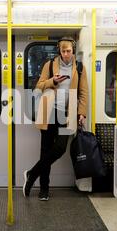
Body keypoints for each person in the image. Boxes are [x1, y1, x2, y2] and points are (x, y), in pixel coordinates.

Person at [23, 37, 88, 201]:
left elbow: (83, 93)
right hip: (49, 113)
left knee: (59, 149)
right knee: (45, 150)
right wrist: (53, 81)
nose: (66, 54)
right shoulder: (50, 65)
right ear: (59, 51)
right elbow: (39, 86)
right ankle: (43, 190)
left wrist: (81, 113)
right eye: (63, 51)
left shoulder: (79, 68)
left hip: (67, 115)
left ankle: (31, 173)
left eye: (69, 51)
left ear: (73, 51)